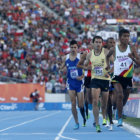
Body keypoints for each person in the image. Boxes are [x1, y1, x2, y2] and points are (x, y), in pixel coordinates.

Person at [107, 28, 140, 127]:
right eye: (124, 36)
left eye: (128, 36)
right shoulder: (114, 49)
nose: (126, 38)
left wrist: (132, 58)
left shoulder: (132, 49)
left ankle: (117, 109)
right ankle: (120, 119)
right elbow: (107, 56)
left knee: (125, 97)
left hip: (128, 77)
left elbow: (139, 63)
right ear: (120, 37)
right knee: (120, 95)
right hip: (117, 76)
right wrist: (109, 66)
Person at [83, 36, 111, 132]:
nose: (98, 44)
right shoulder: (90, 54)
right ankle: (97, 123)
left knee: (104, 102)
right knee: (95, 101)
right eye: (96, 42)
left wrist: (109, 71)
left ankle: (104, 117)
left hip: (105, 80)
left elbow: (114, 63)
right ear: (93, 43)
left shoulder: (106, 52)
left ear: (102, 43)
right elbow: (85, 65)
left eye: (100, 42)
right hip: (94, 80)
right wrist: (90, 67)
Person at [58, 40, 86, 130]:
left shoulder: (80, 56)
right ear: (69, 48)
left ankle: (84, 117)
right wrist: (61, 69)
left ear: (77, 48)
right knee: (73, 103)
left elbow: (86, 67)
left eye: (75, 47)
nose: (73, 49)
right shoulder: (65, 58)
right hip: (70, 83)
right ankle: (76, 122)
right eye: (72, 47)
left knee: (80, 105)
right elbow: (61, 68)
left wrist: (82, 76)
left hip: (79, 83)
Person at [77, 45, 92, 120]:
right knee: (86, 95)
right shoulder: (85, 53)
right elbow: (79, 64)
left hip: (96, 76)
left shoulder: (100, 53)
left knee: (92, 96)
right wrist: (86, 67)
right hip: (86, 76)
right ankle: (86, 111)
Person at [104, 37, 116, 130]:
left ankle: (114, 110)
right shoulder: (104, 51)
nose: (112, 44)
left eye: (113, 42)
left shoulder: (117, 52)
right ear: (107, 43)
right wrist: (108, 71)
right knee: (108, 100)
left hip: (116, 77)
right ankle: (110, 120)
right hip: (106, 77)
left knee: (117, 98)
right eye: (110, 42)